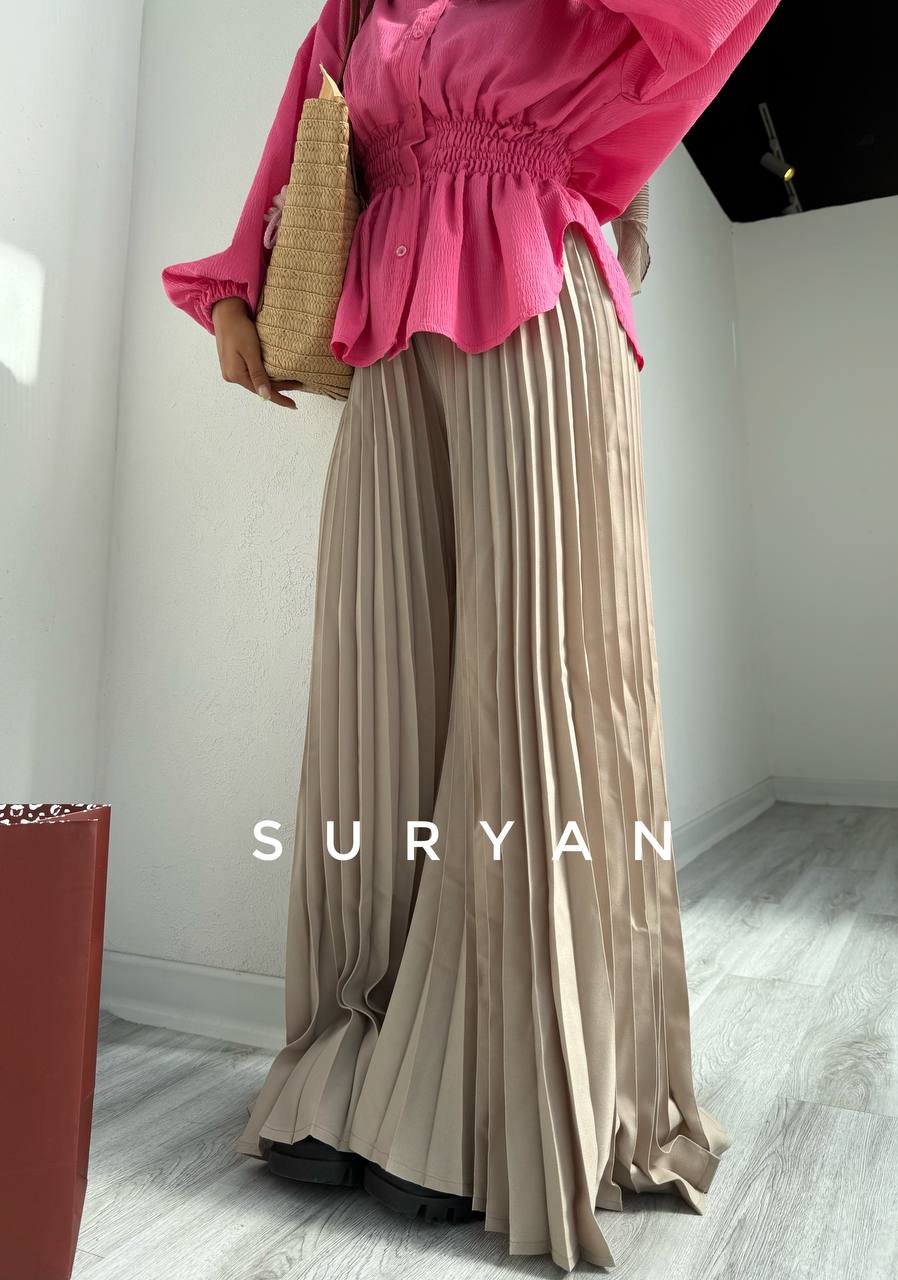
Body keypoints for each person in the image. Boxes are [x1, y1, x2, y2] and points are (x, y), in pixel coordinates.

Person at [161, 0, 778, 1268]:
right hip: (388, 332)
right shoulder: (359, 4)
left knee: (524, 696)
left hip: (538, 304)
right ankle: (353, 1063)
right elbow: (304, 129)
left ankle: (487, 1092)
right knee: (379, 700)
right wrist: (233, 292)